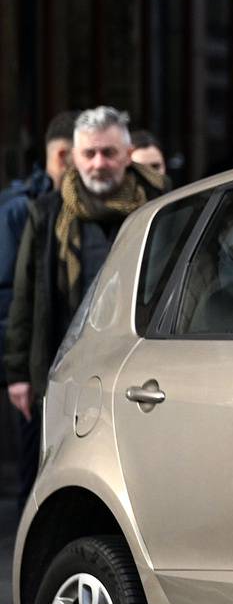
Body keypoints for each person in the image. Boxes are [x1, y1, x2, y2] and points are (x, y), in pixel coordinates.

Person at [7, 107, 161, 426]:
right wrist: (18, 373)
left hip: (138, 370)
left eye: (109, 152)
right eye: (89, 153)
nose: (98, 164)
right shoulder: (48, 214)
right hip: (64, 369)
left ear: (129, 155)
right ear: (73, 157)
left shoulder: (159, 206)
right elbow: (25, 296)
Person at [0, 112, 74, 505]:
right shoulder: (26, 209)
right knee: (33, 469)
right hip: (35, 363)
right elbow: (12, 293)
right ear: (65, 155)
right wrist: (17, 370)